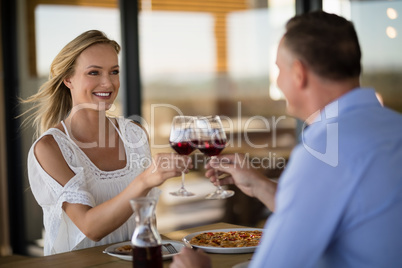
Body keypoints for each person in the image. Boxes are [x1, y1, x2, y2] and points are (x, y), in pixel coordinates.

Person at [170, 11, 402, 268]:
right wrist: (259, 185)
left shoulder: (324, 150)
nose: (278, 82)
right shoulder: (393, 127)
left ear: (299, 73)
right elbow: (327, 210)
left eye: (278, 70)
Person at [22, 30, 192, 255]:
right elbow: (90, 227)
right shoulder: (50, 148)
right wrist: (145, 180)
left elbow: (145, 219)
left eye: (114, 71)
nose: (108, 83)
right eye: (94, 72)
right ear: (68, 79)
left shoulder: (135, 134)